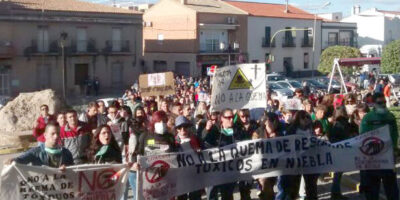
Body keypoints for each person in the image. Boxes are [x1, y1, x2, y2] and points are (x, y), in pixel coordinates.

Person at [359, 93, 399, 200]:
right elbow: (363, 136)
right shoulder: (368, 118)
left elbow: (395, 134)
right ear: (374, 103)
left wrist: (394, 149)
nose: (383, 104)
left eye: (384, 102)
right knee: (372, 191)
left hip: (388, 158)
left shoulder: (390, 117)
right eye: (380, 102)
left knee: (392, 190)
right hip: (373, 159)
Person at [206, 108, 243, 200]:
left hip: (230, 169)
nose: (231, 119)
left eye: (232, 117)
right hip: (215, 169)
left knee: (227, 194)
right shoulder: (214, 130)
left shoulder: (237, 131)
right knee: (212, 194)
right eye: (228, 117)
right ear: (221, 118)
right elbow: (205, 144)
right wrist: (206, 130)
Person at [8, 123, 73, 169]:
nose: (56, 136)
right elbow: (21, 160)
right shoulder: (35, 152)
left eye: (58, 133)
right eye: (52, 134)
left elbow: (73, 173)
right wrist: (12, 161)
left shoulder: (66, 153)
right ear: (45, 135)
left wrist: (67, 169)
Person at [252, 112, 281, 200]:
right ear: (265, 122)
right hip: (261, 165)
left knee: (270, 186)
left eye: (274, 120)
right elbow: (252, 146)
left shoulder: (279, 133)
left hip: (274, 165)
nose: (272, 123)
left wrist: (277, 139)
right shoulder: (258, 132)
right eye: (270, 120)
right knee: (265, 183)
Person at [174, 116, 202, 200]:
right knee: (182, 197)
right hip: (180, 174)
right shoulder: (173, 141)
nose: (182, 129)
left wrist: (200, 150)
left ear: (188, 127)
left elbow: (204, 151)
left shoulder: (195, 138)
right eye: (179, 127)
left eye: (185, 126)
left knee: (195, 196)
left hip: (194, 173)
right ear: (176, 129)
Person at [329, 106, 352, 200]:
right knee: (338, 175)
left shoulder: (336, 123)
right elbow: (335, 138)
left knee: (338, 174)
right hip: (340, 150)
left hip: (339, 150)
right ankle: (335, 194)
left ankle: (336, 193)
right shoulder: (340, 123)